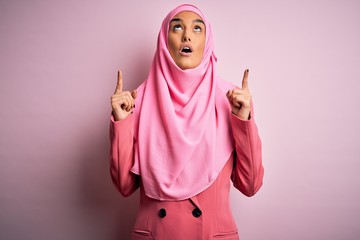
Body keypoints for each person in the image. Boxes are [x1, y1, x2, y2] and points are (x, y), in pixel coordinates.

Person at [109, 4, 264, 240]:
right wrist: (121, 122)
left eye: (197, 28)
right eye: (177, 27)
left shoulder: (232, 100)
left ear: (207, 41)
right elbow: (124, 187)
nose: (187, 35)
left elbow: (250, 186)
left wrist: (243, 121)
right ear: (164, 40)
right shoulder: (134, 102)